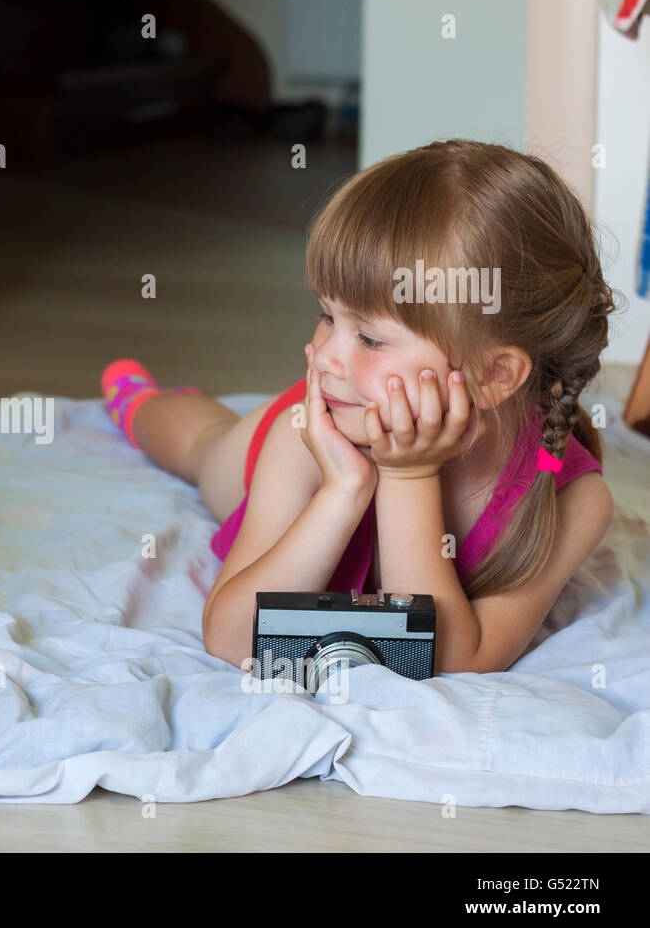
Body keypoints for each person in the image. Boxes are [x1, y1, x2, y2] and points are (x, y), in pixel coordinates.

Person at [100, 140, 616, 674]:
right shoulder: (305, 437)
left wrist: (408, 477)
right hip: (303, 436)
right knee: (205, 445)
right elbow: (232, 639)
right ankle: (136, 399)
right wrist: (343, 490)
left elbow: (455, 660)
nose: (323, 356)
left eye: (369, 338)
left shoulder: (570, 497)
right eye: (327, 316)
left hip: (361, 419)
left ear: (493, 376)